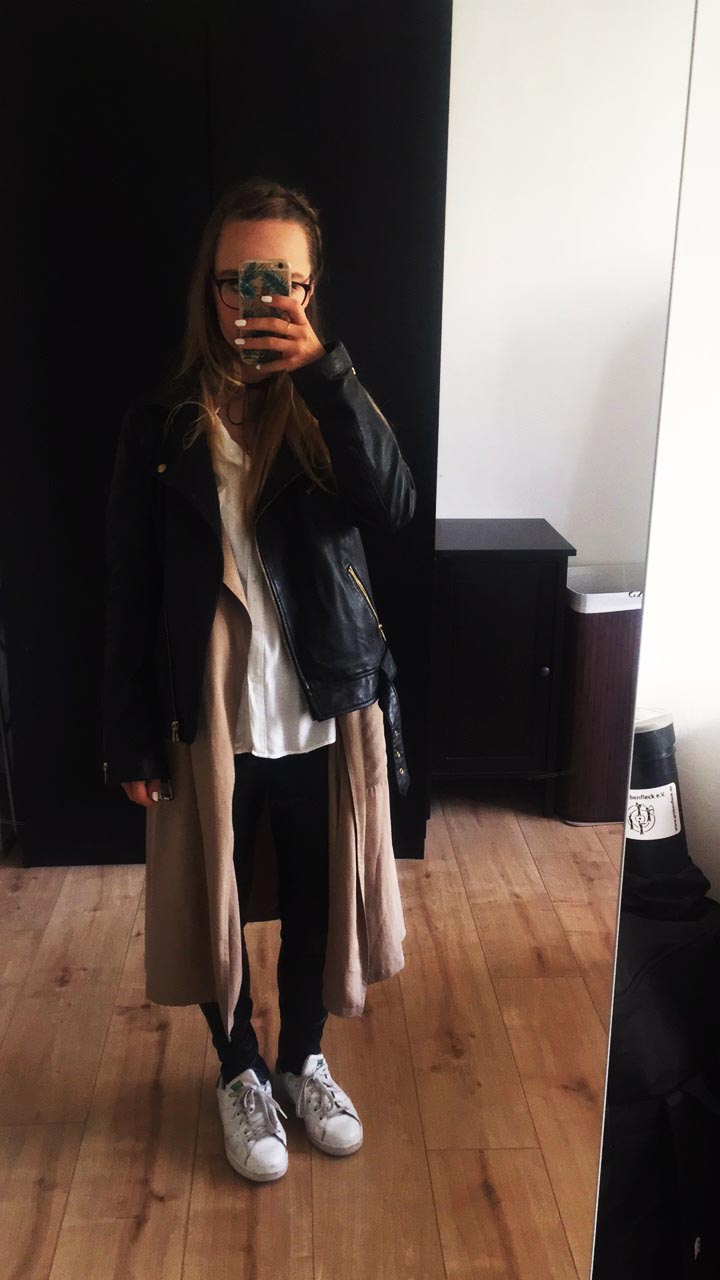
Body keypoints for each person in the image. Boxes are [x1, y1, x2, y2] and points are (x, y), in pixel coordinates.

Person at [101, 176, 416, 1184]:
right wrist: (130, 731)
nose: (256, 298)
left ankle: (302, 1059)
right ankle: (238, 1068)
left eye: (279, 279)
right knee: (218, 900)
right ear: (211, 285)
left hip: (322, 706)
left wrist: (324, 373)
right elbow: (131, 589)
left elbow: (394, 505)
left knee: (320, 899)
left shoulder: (328, 402)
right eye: (239, 278)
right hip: (211, 716)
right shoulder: (162, 427)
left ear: (309, 287)